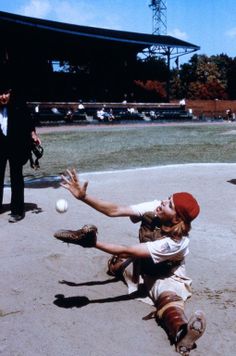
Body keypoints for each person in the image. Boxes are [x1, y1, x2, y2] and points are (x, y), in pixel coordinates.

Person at [54, 169, 206, 355]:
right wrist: (83, 197)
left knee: (168, 299)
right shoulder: (156, 207)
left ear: (176, 218)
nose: (164, 201)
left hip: (165, 275)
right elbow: (115, 210)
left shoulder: (175, 243)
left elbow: (128, 250)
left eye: (170, 204)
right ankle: (121, 268)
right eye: (168, 198)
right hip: (140, 264)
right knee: (115, 266)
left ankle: (182, 333)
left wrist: (93, 243)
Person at [0, 87, 41, 222]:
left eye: (5, 93)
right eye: (0, 94)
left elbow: (28, 121)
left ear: (10, 93)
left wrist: (33, 134)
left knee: (16, 176)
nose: (3, 97)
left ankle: (17, 211)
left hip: (15, 144)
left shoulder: (19, 105)